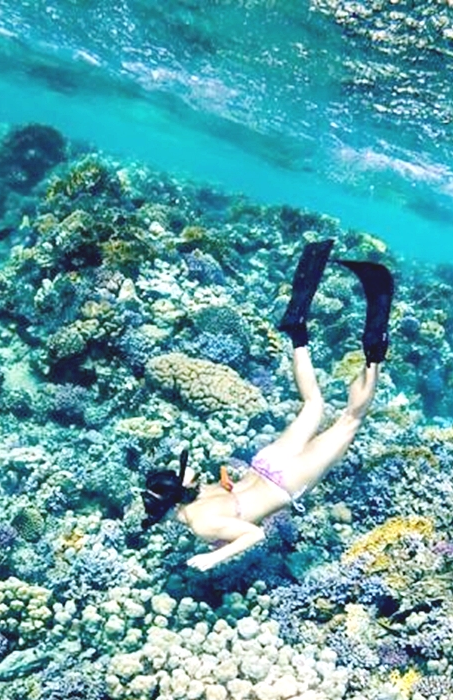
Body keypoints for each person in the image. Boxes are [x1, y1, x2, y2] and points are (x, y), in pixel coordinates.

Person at [140, 239, 394, 571]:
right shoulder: (195, 494)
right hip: (264, 464)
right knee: (313, 404)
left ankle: (375, 352)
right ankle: (297, 331)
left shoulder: (200, 524)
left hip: (285, 482)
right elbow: (217, 490)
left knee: (350, 420)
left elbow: (254, 534)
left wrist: (213, 557)